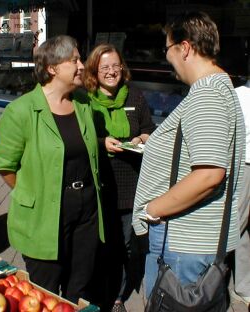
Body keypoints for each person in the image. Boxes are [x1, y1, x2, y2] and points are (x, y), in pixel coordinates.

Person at [132, 11, 245, 300]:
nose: (166, 57)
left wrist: (152, 210)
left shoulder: (207, 93)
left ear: (185, 48)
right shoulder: (216, 89)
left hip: (183, 243)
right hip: (188, 241)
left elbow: (209, 174)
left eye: (167, 48)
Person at [0, 35, 104, 304]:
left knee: (80, 286)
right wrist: (31, 192)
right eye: (74, 59)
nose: (81, 65)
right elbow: (5, 165)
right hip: (44, 216)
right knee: (44, 292)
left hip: (86, 212)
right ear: (52, 68)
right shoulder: (21, 111)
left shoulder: (83, 104)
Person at [83, 43, 155, 311]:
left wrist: (139, 138)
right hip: (96, 182)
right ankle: (92, 291)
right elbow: (80, 137)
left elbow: (149, 129)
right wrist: (102, 143)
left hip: (128, 183)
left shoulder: (134, 96)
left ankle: (116, 296)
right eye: (105, 67)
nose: (112, 72)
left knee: (122, 244)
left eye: (115, 66)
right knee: (95, 242)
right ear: (94, 71)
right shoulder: (84, 99)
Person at [229, 79, 250, 308]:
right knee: (238, 225)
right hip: (245, 166)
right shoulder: (237, 95)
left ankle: (244, 285)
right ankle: (212, 278)